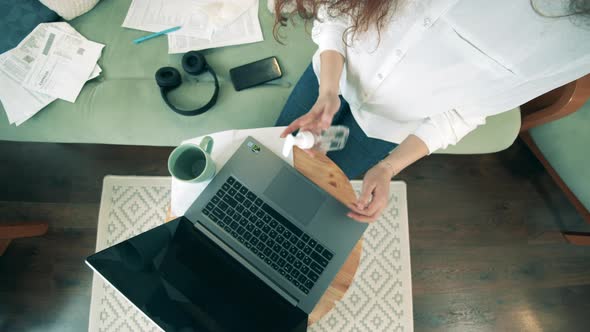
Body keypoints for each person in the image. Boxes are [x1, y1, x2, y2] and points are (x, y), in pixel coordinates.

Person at [273, 0, 590, 222]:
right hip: (328, 74)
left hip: (385, 130)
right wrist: (328, 90)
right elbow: (339, 11)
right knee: (274, 160)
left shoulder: (571, 45)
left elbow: (461, 114)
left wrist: (388, 168)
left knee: (312, 198)